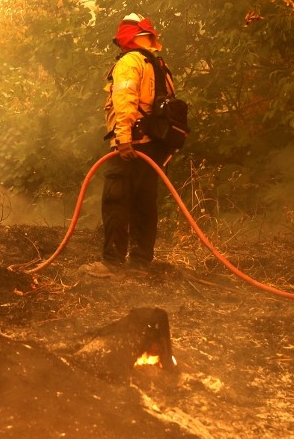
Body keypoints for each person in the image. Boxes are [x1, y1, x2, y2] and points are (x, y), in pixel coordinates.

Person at [83, 13, 177, 278]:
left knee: (115, 200)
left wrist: (123, 138)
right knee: (144, 203)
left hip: (132, 144)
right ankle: (140, 263)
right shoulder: (159, 64)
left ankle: (111, 264)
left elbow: (125, 101)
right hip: (154, 148)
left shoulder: (129, 62)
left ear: (128, 37)